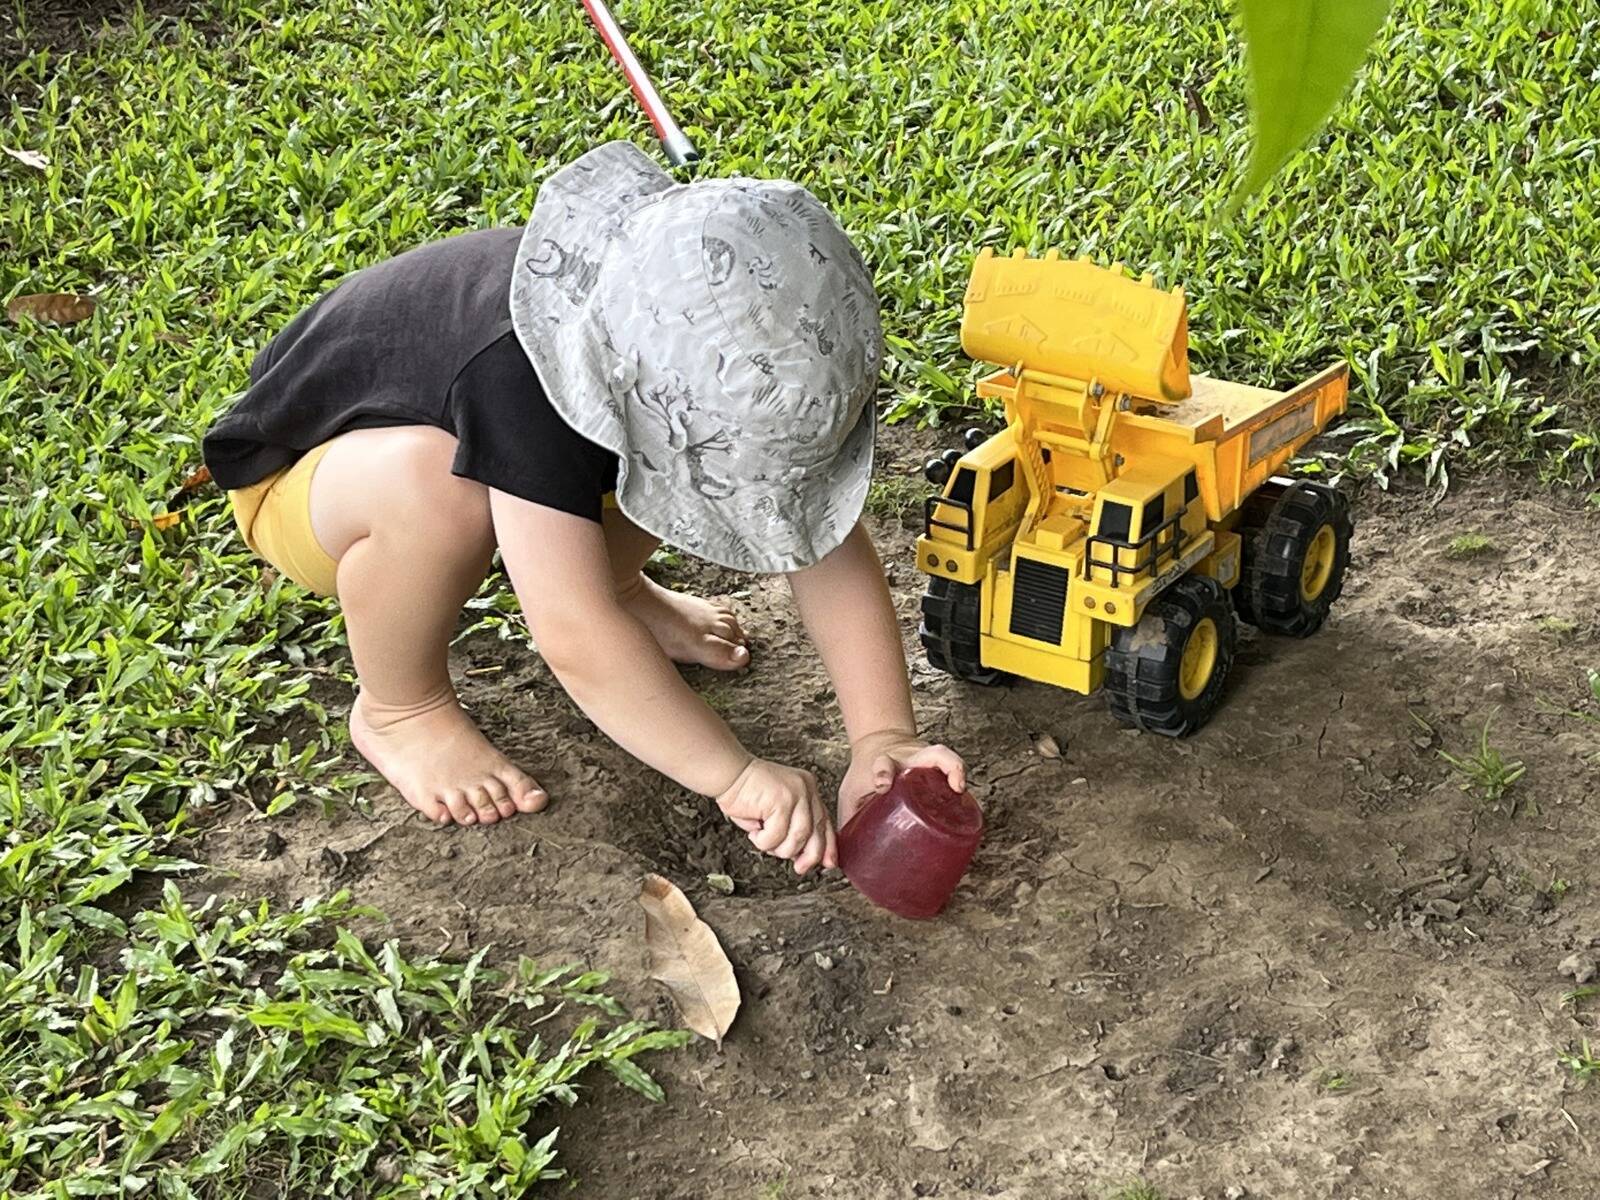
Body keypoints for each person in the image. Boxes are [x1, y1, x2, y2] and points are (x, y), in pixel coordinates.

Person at [204, 141, 965, 876]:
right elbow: (571, 633)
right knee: (435, 490)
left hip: (498, 439)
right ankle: (399, 706)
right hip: (310, 482)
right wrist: (733, 775)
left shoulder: (645, 324)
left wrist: (884, 735)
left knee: (681, 463)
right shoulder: (519, 378)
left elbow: (819, 539)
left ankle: (626, 588)